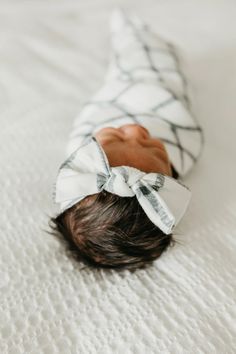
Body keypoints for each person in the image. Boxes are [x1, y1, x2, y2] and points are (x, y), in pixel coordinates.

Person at [48, 8, 204, 271]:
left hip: (121, 89)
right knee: (156, 63)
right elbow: (186, 130)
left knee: (124, 63)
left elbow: (91, 117)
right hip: (160, 91)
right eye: (153, 149)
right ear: (170, 181)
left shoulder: (80, 153)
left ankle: (126, 28)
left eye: (115, 138)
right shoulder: (182, 148)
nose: (134, 129)